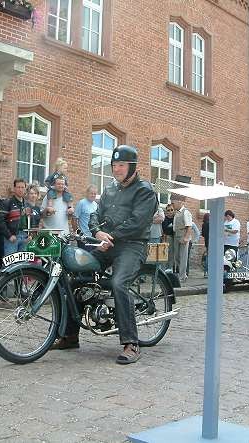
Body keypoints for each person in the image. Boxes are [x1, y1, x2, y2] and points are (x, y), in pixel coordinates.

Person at [51, 145, 158, 365]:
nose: (116, 169)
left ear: (132, 167)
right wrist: (97, 231)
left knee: (119, 283)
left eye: (121, 165)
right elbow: (94, 215)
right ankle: (70, 335)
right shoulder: (110, 189)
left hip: (132, 245)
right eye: (114, 165)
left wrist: (112, 235)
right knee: (75, 278)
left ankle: (132, 343)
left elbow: (138, 223)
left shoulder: (144, 190)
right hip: (107, 244)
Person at [0, 178, 31, 254]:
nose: (20, 189)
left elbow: (30, 221)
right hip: (13, 237)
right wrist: (9, 235)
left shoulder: (27, 204)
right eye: (18, 187)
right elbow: (0, 221)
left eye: (22, 187)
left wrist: (30, 234)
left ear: (25, 189)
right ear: (14, 188)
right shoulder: (7, 203)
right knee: (10, 264)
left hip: (25, 237)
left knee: (22, 263)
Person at [172, 197, 192, 282]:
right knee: (177, 257)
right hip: (177, 235)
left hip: (183, 236)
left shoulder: (186, 212)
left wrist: (186, 237)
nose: (172, 205)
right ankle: (181, 274)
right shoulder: (177, 213)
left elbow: (189, 226)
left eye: (173, 203)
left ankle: (182, 276)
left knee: (183, 257)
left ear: (179, 201)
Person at [162, 204, 176, 271]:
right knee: (165, 256)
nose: (170, 211)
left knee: (172, 256)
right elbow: (164, 231)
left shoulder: (176, 218)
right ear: (166, 211)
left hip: (175, 238)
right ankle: (164, 271)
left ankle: (170, 271)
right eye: (168, 210)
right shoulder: (164, 219)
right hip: (167, 238)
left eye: (171, 210)